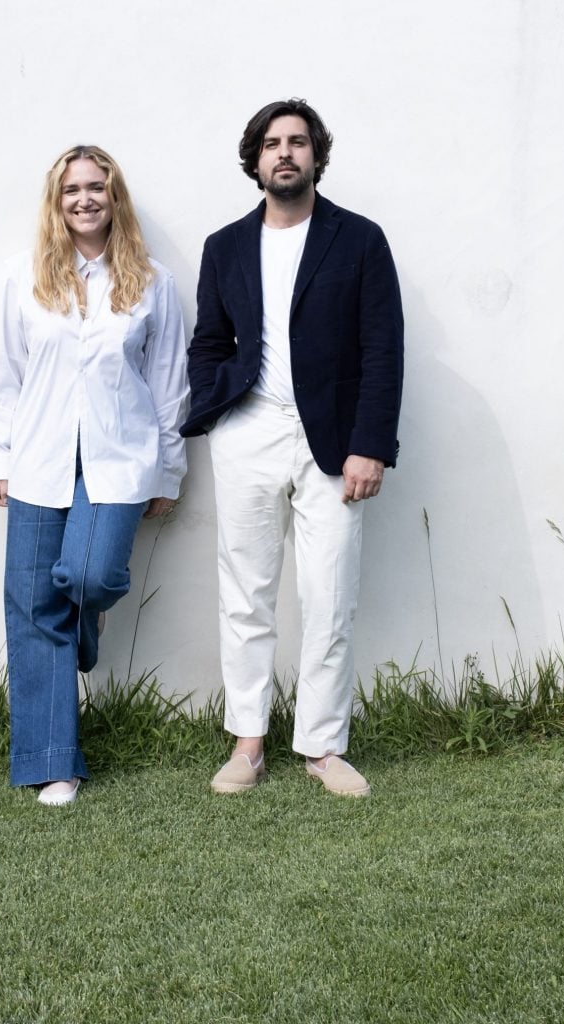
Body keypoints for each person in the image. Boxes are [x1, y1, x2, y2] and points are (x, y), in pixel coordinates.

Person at [180, 99, 404, 797]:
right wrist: (217, 410)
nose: (286, 153)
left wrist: (371, 445)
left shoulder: (359, 240)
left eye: (298, 142)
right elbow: (210, 343)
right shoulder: (224, 247)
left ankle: (322, 746)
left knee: (329, 593)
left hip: (333, 438)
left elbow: (383, 349)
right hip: (249, 429)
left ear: (316, 156)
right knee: (245, 592)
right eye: (273, 143)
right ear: (255, 161)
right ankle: (248, 743)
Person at [0, 145, 188, 806]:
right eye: (72, 190)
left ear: (114, 196)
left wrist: (169, 471)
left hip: (119, 461)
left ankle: (77, 625)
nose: (84, 200)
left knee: (89, 576)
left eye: (97, 188)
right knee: (32, 605)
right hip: (38, 459)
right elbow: (2, 373)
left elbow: (169, 383)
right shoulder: (22, 278)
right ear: (56, 200)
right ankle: (53, 764)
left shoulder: (153, 282)